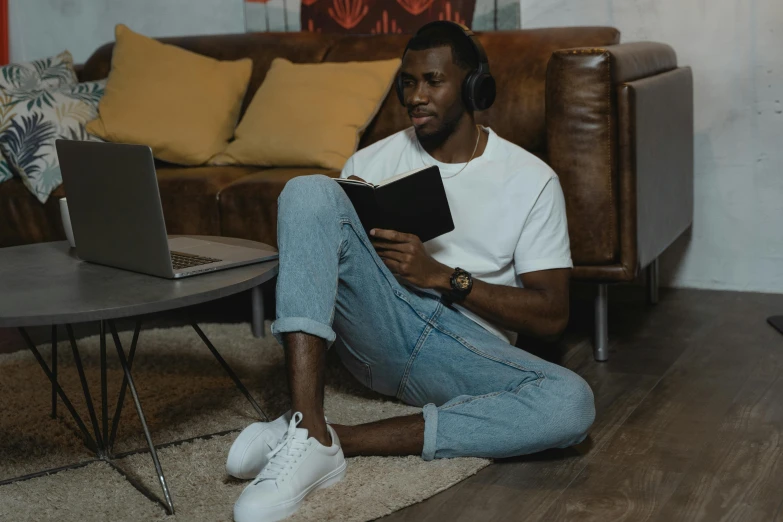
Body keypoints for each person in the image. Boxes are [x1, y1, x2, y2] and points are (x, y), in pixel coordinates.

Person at [228, 21, 596, 522]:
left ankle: (328, 438)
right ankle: (308, 424)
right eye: (408, 82)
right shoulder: (371, 161)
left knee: (570, 405)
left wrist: (444, 277)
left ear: (473, 88)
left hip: (463, 353)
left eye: (432, 81)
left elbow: (552, 316)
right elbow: (325, 266)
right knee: (309, 191)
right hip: (379, 330)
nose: (415, 96)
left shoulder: (531, 180)